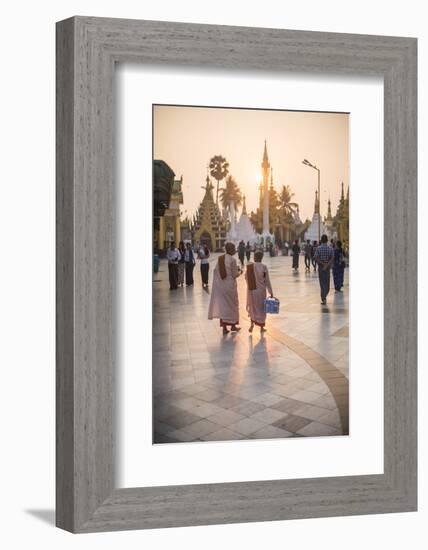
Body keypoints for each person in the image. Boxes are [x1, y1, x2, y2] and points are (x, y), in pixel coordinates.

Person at [208, 242, 242, 334]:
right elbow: (234, 275)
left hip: (222, 286)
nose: (235, 250)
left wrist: (219, 282)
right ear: (230, 250)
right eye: (234, 248)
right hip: (230, 286)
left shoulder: (220, 259)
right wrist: (240, 272)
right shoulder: (232, 260)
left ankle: (224, 328)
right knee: (232, 305)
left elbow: (216, 271)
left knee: (224, 306)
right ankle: (233, 326)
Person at [245, 250, 273, 334]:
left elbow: (246, 277)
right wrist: (271, 291)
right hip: (261, 291)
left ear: (254, 257)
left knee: (253, 307)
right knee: (261, 308)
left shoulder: (250, 266)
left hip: (252, 290)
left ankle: (251, 325)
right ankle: (261, 327)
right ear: (261, 258)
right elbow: (267, 280)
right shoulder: (264, 267)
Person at [314, 234, 334, 305]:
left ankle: (323, 297)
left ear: (321, 240)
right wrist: (327, 265)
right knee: (327, 283)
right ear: (327, 240)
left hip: (321, 268)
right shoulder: (330, 248)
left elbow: (316, 257)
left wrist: (322, 264)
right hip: (327, 268)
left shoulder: (318, 248)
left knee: (322, 283)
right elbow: (332, 258)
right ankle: (324, 296)